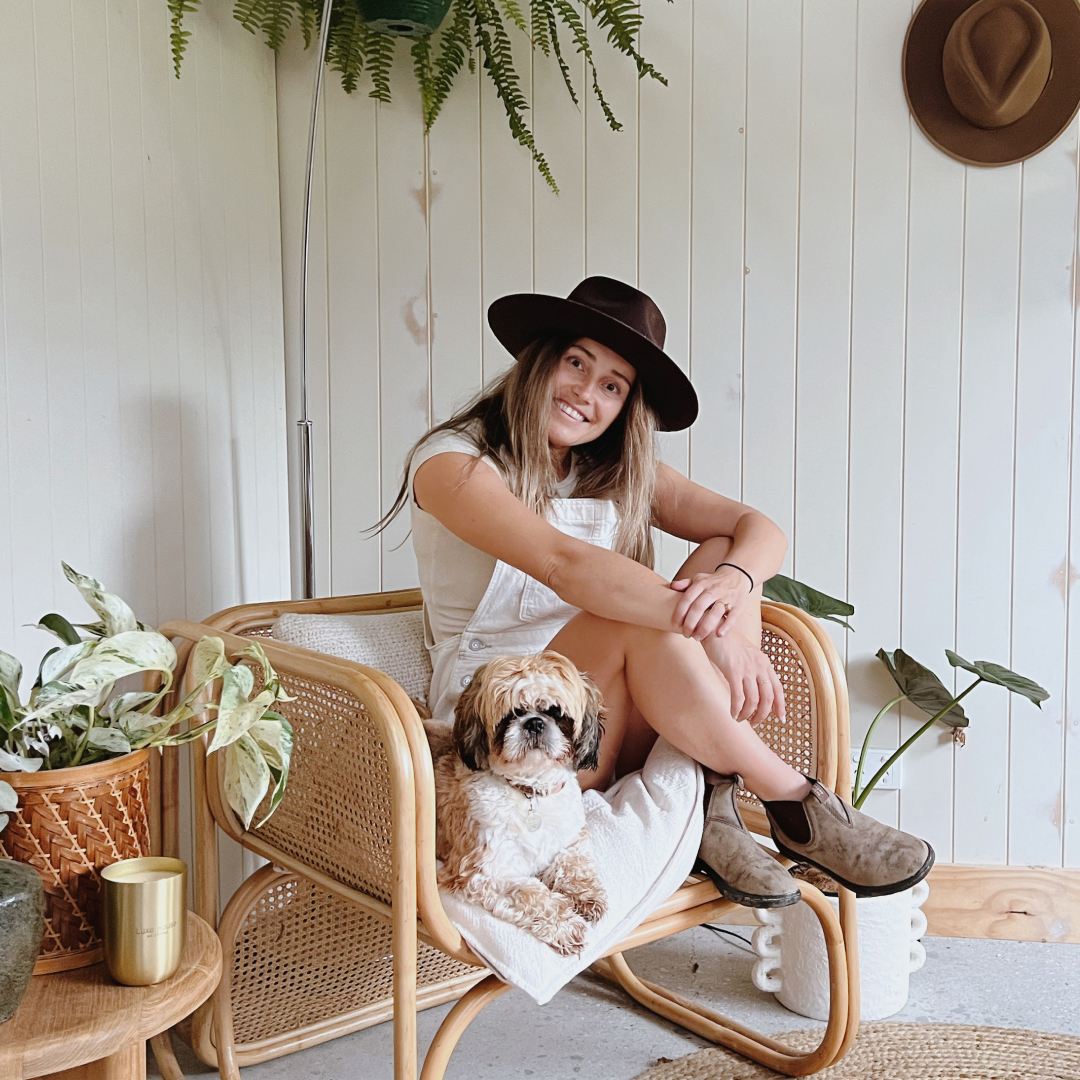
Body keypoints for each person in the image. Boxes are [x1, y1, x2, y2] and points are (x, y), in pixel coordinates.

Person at [373, 276, 933, 909]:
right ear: (538, 361)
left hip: (606, 709)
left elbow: (760, 529)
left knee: (723, 556)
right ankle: (794, 802)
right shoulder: (453, 462)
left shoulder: (614, 465)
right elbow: (563, 563)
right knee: (633, 618)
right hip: (511, 722)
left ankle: (718, 808)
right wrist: (711, 632)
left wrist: (732, 587)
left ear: (625, 405)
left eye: (612, 385)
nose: (586, 393)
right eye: (575, 363)